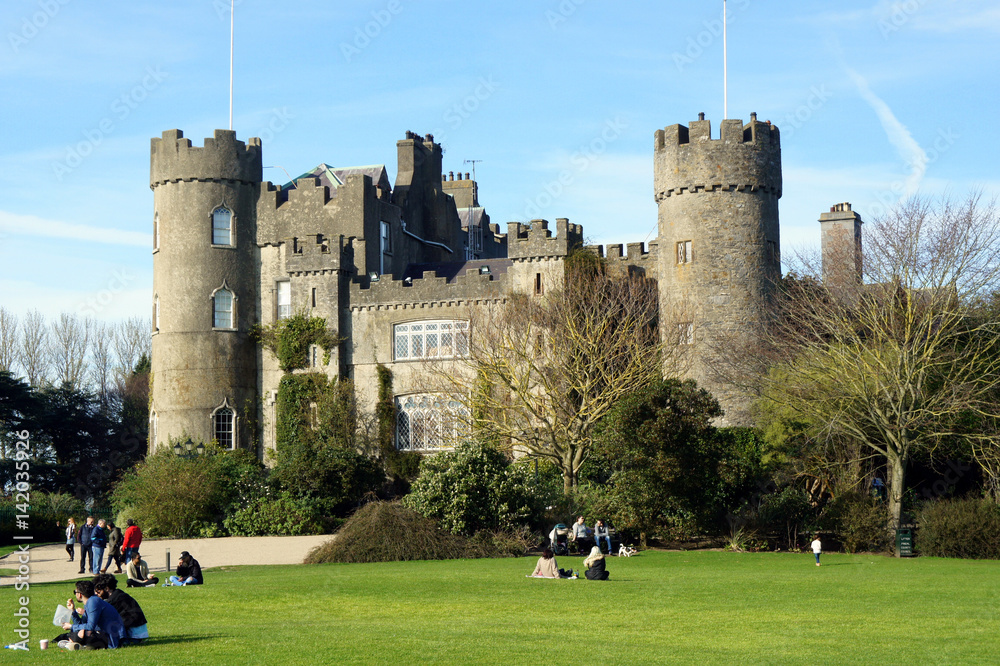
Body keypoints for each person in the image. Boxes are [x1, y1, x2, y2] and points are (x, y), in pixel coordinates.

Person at [57, 579, 125, 650]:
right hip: (104, 634)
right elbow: (82, 624)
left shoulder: (93, 602)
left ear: (80, 594)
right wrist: (73, 611)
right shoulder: (90, 602)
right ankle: (78, 644)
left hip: (111, 638)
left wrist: (71, 626)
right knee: (77, 632)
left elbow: (90, 626)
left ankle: (72, 644)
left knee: (76, 634)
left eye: (75, 592)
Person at [94, 574, 149, 644]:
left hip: (134, 635)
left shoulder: (114, 600)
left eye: (98, 591)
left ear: (107, 588)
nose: (96, 594)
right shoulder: (118, 595)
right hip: (138, 632)